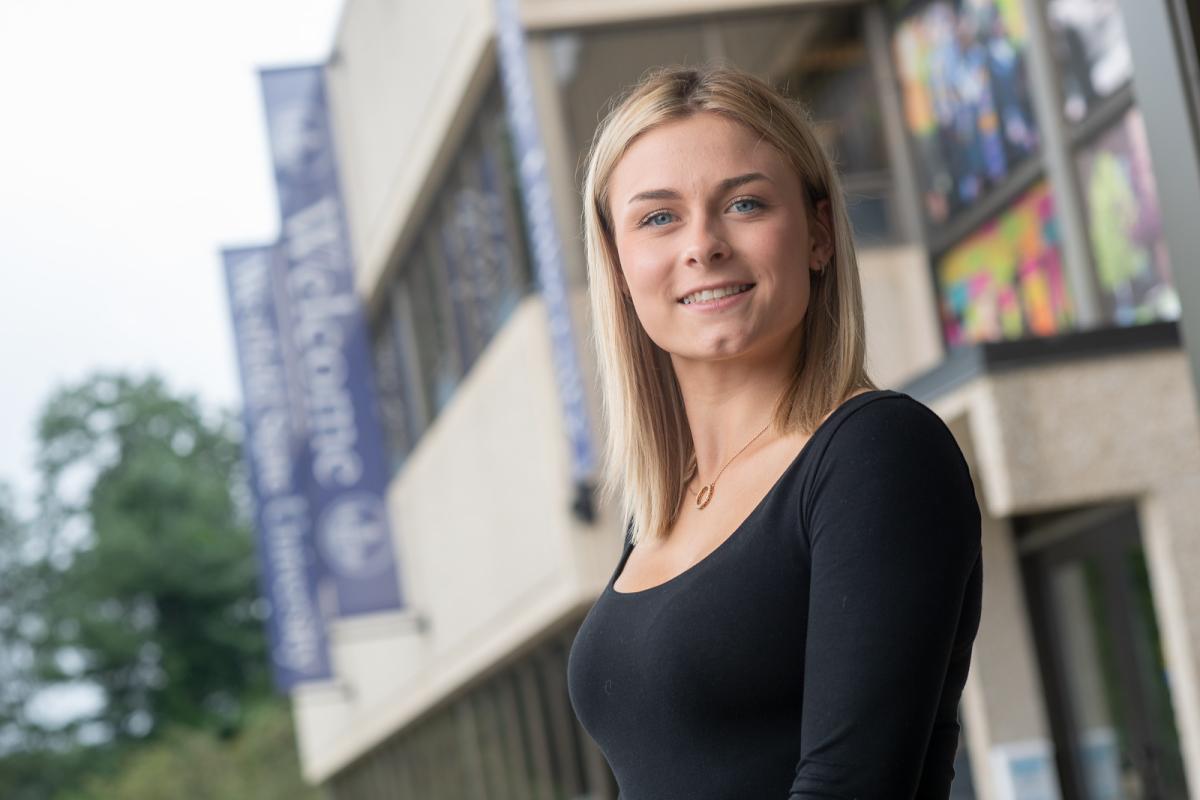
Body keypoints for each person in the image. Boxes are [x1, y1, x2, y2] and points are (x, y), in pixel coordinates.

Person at [566, 64, 983, 799]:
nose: (703, 245)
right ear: (619, 267)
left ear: (819, 234)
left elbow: (847, 787)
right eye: (658, 217)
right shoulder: (658, 510)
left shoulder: (876, 454)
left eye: (745, 203)